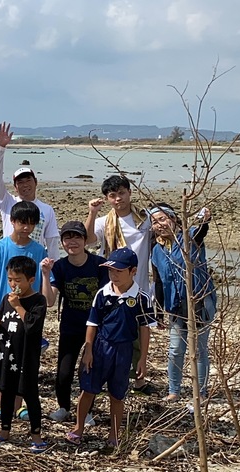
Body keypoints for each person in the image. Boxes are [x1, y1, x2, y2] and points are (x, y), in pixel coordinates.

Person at [67, 248, 156, 448]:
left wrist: (142, 359)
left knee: (117, 394)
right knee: (88, 390)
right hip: (100, 347)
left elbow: (145, 329)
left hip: (124, 350)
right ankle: (78, 427)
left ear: (133, 271)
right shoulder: (102, 294)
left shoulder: (142, 298)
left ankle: (114, 434)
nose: (114, 275)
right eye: (110, 271)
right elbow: (92, 323)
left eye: (119, 271)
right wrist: (88, 351)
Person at [85, 175, 155, 395]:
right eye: (112, 196)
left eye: (121, 193)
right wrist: (92, 212)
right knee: (111, 332)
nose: (118, 199)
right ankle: (108, 374)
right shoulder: (104, 221)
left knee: (138, 333)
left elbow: (165, 231)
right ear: (107, 198)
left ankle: (139, 378)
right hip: (112, 286)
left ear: (129, 193)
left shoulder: (145, 219)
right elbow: (88, 240)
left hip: (140, 285)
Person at [40, 221, 108, 422]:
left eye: (77, 237)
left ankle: (86, 411)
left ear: (85, 240)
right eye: (67, 238)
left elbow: (106, 299)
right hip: (70, 326)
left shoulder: (99, 265)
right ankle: (63, 407)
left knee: (88, 370)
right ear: (62, 242)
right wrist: (45, 274)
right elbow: (50, 302)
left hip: (95, 328)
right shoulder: (60, 267)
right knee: (63, 371)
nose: (72, 241)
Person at [149, 203, 217, 403]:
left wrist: (205, 218)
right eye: (154, 222)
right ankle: (174, 391)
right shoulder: (156, 251)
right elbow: (159, 282)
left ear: (173, 219)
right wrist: (159, 313)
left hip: (200, 303)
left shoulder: (189, 239)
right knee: (175, 349)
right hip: (175, 306)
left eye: (162, 219)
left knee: (199, 349)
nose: (159, 224)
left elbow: (202, 229)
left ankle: (201, 393)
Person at [0, 257, 48, 453]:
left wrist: (19, 306)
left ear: (30, 279)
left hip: (26, 358)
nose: (13, 284)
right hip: (6, 355)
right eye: (10, 279)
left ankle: (36, 435)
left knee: (30, 395)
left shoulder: (38, 301)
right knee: (5, 392)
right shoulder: (6, 298)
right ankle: (4, 430)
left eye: (18, 280)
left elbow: (32, 326)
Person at [0, 122, 61, 259]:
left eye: (28, 180)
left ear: (36, 182)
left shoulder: (47, 210)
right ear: (15, 187)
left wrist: (53, 274)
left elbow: (52, 243)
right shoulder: (7, 203)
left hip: (35, 262)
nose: (25, 185)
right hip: (10, 261)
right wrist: (0, 148)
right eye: (20, 182)